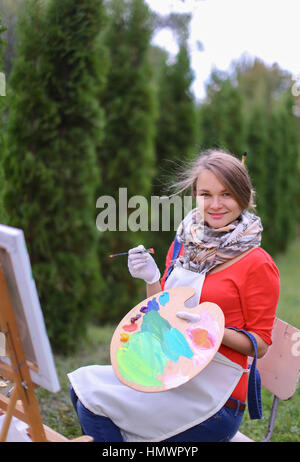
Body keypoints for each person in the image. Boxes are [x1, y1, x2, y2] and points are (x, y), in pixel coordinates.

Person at [68, 148, 280, 442]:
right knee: (82, 388)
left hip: (216, 395)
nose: (215, 204)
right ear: (195, 195)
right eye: (206, 194)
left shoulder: (258, 263)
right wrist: (152, 279)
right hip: (171, 366)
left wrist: (210, 329)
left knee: (95, 406)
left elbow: (261, 343)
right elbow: (163, 310)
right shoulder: (184, 243)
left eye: (227, 194)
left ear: (244, 197)